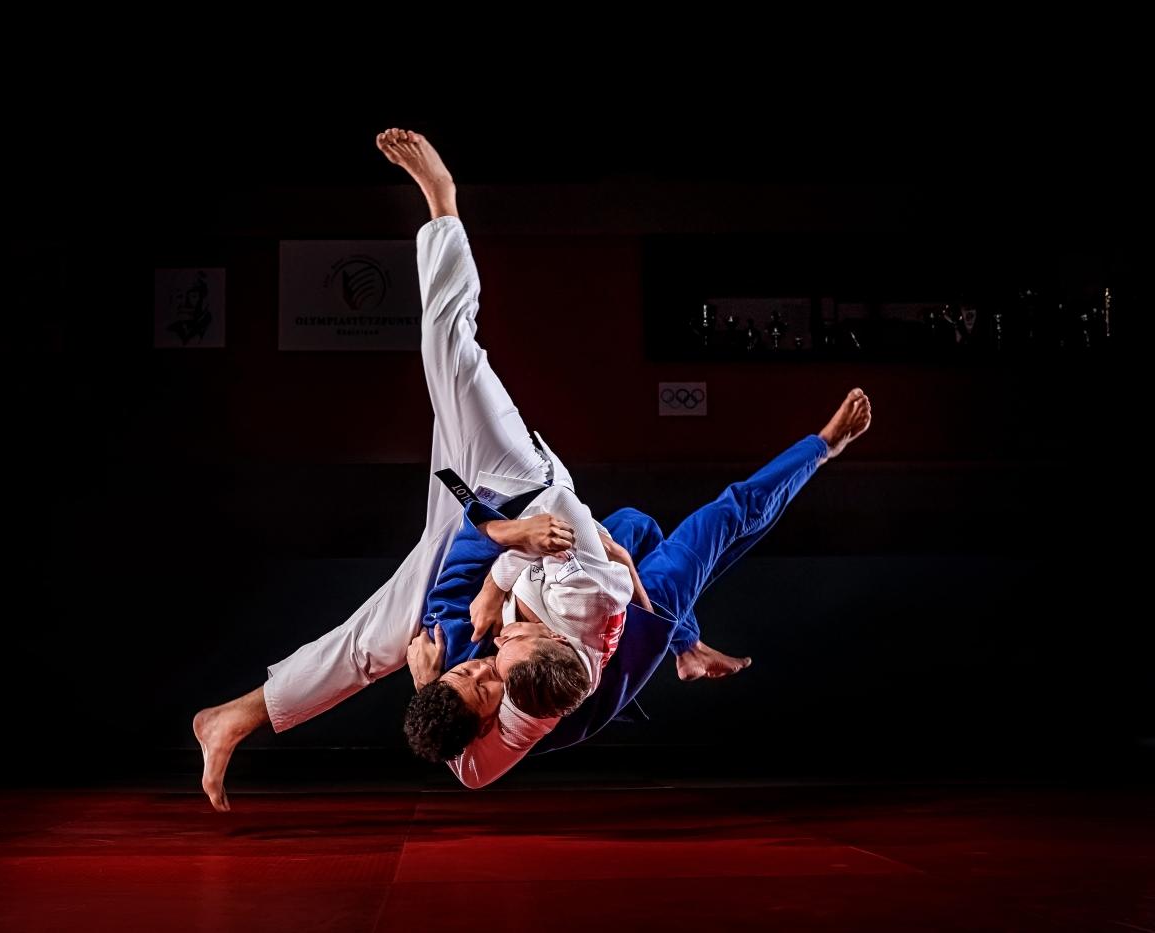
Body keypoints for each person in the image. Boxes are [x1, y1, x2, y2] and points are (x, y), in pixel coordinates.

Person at [192, 129, 627, 811]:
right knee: (449, 344)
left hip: (467, 515)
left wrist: (429, 685)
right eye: (493, 664)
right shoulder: (580, 615)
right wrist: (506, 568)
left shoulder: (513, 687)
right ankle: (443, 197)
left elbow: (466, 762)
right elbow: (553, 522)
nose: (488, 648)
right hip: (516, 476)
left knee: (379, 643)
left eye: (479, 668)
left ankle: (234, 715)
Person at [403, 390, 872, 788]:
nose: (484, 667)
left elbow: (473, 562)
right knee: (725, 519)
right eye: (489, 687)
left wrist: (431, 677)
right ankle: (823, 447)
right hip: (622, 624)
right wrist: (614, 576)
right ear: (492, 722)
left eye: (466, 674)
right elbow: (601, 554)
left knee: (636, 522)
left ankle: (689, 648)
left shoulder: (456, 656)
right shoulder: (523, 716)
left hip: (574, 586)